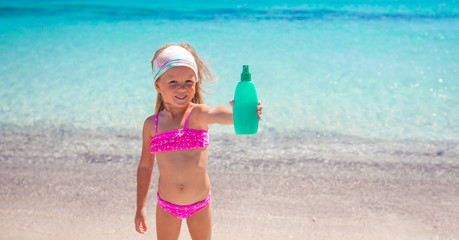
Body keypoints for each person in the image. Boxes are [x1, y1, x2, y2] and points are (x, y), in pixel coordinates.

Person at [134, 42, 262, 240]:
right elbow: (144, 167)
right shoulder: (152, 125)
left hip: (199, 204)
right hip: (167, 205)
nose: (182, 88)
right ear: (158, 85)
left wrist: (239, 113)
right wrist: (140, 207)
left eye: (188, 82)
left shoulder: (198, 114)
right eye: (173, 82)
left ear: (196, 83)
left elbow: (218, 114)